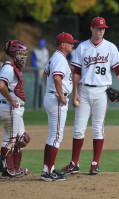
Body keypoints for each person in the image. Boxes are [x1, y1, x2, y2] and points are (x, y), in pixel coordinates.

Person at [59, 17, 119, 175]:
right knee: (78, 129)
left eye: (103, 28)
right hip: (84, 89)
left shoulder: (110, 47)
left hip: (102, 91)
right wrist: (75, 91)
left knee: (98, 128)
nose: (101, 30)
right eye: (98, 28)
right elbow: (76, 72)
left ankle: (95, 163)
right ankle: (74, 163)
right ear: (91, 28)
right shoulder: (82, 47)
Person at [40, 33, 78, 181]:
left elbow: (45, 75)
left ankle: (48, 169)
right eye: (70, 43)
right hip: (56, 100)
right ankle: (48, 172)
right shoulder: (60, 58)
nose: (73, 45)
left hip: (52, 97)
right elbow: (56, 77)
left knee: (54, 136)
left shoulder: (55, 57)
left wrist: (50, 90)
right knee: (55, 136)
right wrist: (61, 95)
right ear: (63, 44)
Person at [0, 40, 31, 178]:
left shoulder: (13, 67)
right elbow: (1, 85)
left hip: (13, 108)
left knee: (22, 139)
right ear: (14, 53)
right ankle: (7, 170)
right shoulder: (8, 68)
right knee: (10, 139)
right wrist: (12, 100)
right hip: (9, 107)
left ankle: (15, 168)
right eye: (21, 53)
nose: (23, 56)